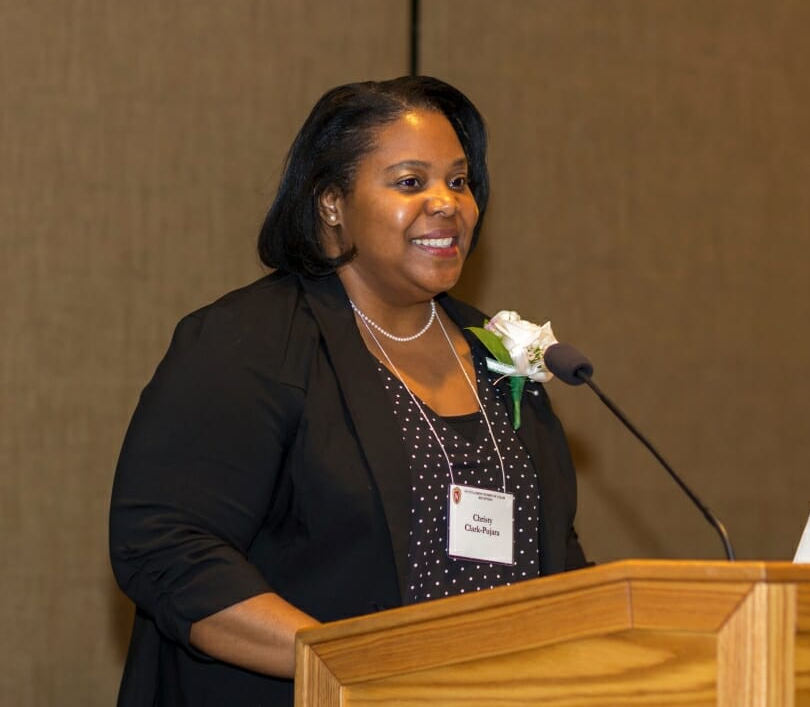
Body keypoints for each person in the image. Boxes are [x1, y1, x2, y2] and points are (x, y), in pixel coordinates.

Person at [108, 76, 588, 706]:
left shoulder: (496, 351)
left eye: (459, 180)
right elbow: (167, 548)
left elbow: (554, 556)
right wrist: (360, 666)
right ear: (332, 202)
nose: (448, 203)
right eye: (411, 182)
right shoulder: (249, 343)